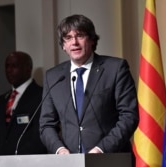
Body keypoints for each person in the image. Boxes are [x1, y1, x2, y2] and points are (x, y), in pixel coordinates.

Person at [39, 14, 139, 157]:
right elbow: (46, 124)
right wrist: (60, 150)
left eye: (79, 36)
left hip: (110, 159)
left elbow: (129, 116)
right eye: (68, 38)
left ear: (92, 39)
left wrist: (101, 149)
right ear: (63, 45)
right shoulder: (53, 77)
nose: (74, 42)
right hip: (69, 162)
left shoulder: (115, 69)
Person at [0, 51, 47, 167]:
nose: (9, 70)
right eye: (7, 66)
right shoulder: (1, 101)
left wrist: (16, 162)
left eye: (14, 66)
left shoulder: (41, 96)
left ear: (28, 69)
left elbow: (40, 137)